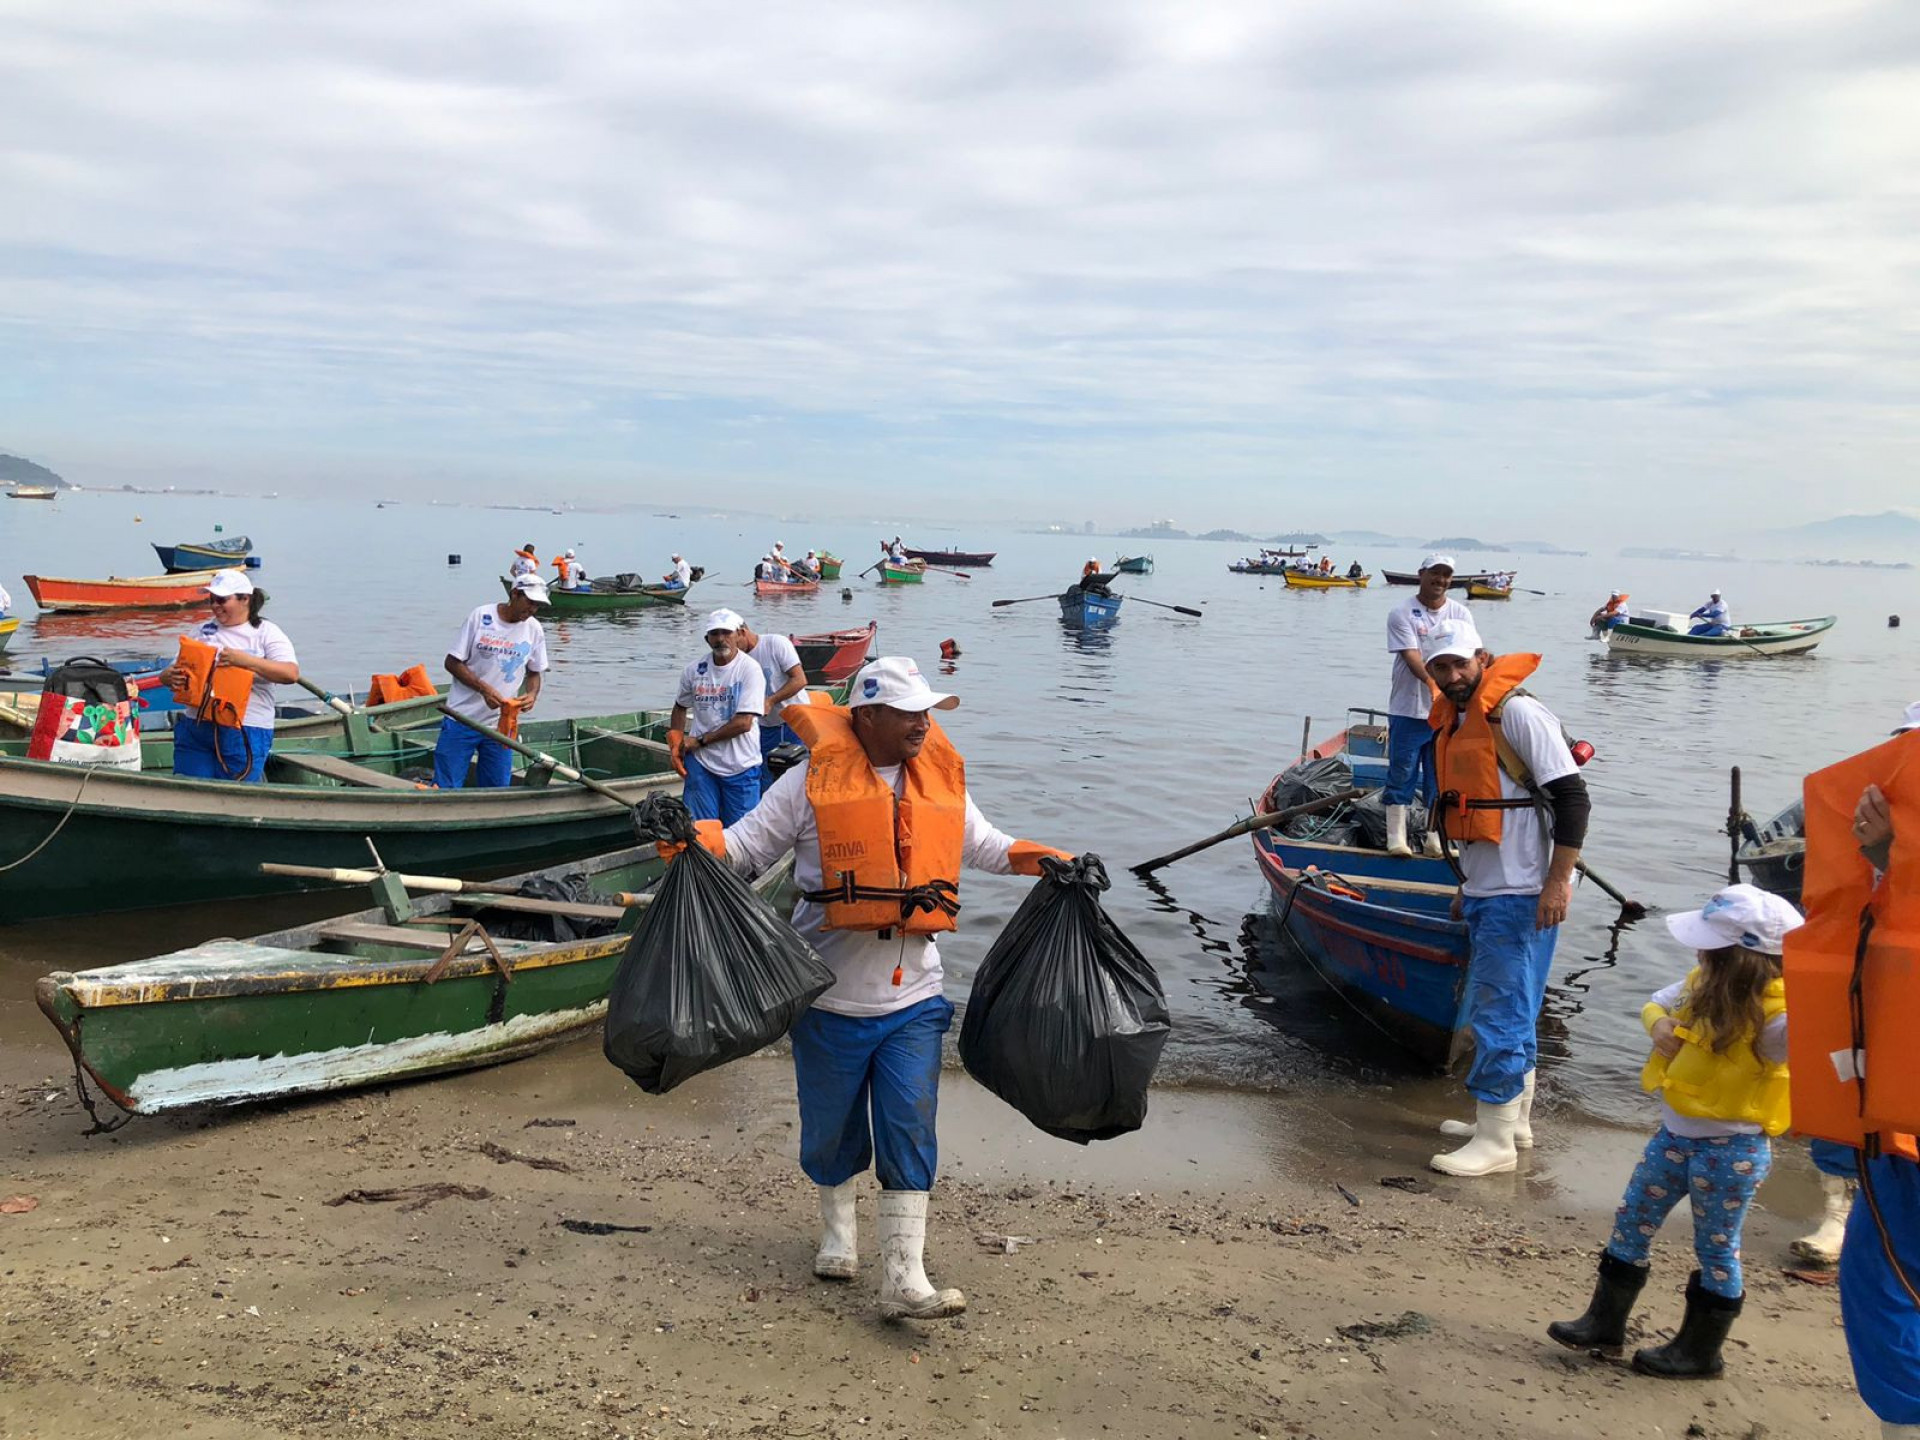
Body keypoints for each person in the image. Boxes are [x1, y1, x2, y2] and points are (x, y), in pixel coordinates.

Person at [661, 656, 1070, 1320]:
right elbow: (742, 851)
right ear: (869, 716)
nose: (922, 724)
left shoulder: (937, 781)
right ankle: (838, 1234)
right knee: (831, 1131)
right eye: (909, 712)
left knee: (909, 1124)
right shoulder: (806, 784)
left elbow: (988, 845)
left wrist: (1055, 861)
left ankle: (904, 1278)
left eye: (927, 712)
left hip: (914, 999)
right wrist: (685, 838)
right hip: (826, 999)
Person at [1548, 884, 1801, 1379]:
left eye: (1710, 947)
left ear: (1740, 959)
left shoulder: (1780, 1021)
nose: (1699, 952)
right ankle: (1604, 1322)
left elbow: (1819, 1039)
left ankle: (1701, 1351)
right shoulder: (1698, 984)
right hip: (1674, 1136)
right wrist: (1659, 1025)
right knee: (1633, 1218)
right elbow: (1654, 1004)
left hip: (1735, 1149)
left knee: (1717, 1246)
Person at [1422, 618, 1591, 1176]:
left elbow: (1572, 798)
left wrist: (1557, 881)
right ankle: (1511, 1123)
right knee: (1517, 1004)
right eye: (1440, 667)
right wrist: (1465, 886)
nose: (1451, 676)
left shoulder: (1515, 713)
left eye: (1460, 664)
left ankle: (1493, 1143)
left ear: (1482, 658)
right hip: (1489, 887)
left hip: (1521, 891)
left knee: (1500, 1010)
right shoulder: (1460, 720)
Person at [160, 569, 300, 783]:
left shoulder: (266, 632)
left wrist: (246, 661)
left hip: (245, 730)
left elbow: (290, 673)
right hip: (197, 728)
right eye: (212, 600)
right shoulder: (200, 631)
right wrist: (169, 677)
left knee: (236, 796)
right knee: (189, 791)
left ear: (245, 599)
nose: (215, 605)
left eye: (222, 600)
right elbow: (169, 674)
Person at [1382, 556, 1472, 857]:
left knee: (1440, 776)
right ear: (1421, 574)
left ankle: (1436, 839)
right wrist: (1435, 686)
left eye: (1446, 575)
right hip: (1409, 708)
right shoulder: (1402, 613)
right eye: (1435, 573)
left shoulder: (1460, 613)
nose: (1441, 580)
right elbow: (1411, 656)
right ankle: (1397, 838)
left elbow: (1471, 656)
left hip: (1447, 712)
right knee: (1402, 771)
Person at [431, 573, 550, 789]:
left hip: (501, 725)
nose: (532, 609)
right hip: (462, 718)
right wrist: (483, 689)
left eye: (537, 605)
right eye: (529, 602)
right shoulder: (481, 616)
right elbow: (452, 662)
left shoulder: (534, 629)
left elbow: (534, 672)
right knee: (446, 786)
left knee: (497, 788)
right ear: (514, 594)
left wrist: (532, 694)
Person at [667, 609, 766, 824]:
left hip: (741, 765)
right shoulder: (694, 670)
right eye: (714, 633)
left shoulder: (750, 670)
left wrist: (700, 741)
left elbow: (743, 723)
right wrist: (675, 743)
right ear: (707, 639)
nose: (720, 639)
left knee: (742, 834)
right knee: (699, 830)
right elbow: (680, 706)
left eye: (726, 632)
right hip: (702, 765)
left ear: (739, 634)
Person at [736, 618, 811, 793]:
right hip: (765, 727)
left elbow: (800, 679)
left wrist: (771, 700)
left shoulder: (775, 643)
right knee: (765, 778)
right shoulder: (736, 659)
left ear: (742, 632)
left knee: (796, 776)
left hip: (795, 722)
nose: (731, 647)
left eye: (732, 639)